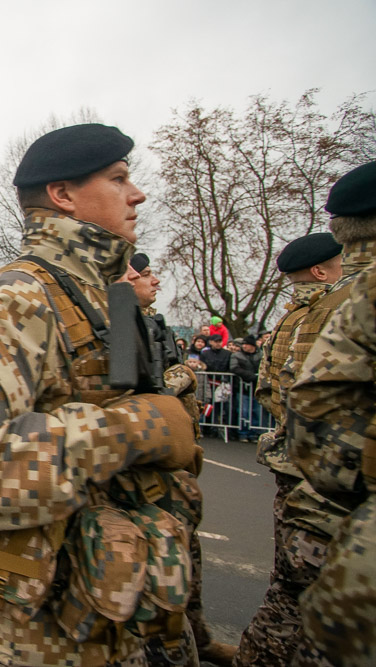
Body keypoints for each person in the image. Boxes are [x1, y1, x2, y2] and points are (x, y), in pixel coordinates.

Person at [0, 124, 201, 665]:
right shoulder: (17, 298)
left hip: (94, 601)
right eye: (118, 179)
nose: (136, 194)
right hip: (23, 635)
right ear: (63, 195)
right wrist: (132, 430)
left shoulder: (95, 296)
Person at [233, 231, 343, 666]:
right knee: (316, 591)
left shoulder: (285, 322)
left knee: (290, 583)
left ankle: (257, 656)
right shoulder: (337, 313)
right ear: (321, 270)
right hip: (325, 472)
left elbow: (268, 389)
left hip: (292, 463)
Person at [283, 162, 376, 665]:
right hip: (334, 491)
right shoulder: (350, 300)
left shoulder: (304, 313)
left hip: (310, 474)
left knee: (291, 594)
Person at [128, 253, 237, 665]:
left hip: (175, 463)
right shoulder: (113, 322)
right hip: (148, 467)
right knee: (158, 577)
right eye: (145, 274)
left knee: (187, 561)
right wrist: (183, 376)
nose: (155, 281)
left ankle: (198, 636)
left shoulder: (150, 322)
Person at [229, 335, 263, 442]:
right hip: (243, 387)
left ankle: (254, 433)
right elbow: (234, 368)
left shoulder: (261, 355)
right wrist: (250, 376)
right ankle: (243, 433)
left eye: (246, 344)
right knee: (243, 412)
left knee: (256, 412)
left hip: (257, 388)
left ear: (252, 345)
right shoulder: (237, 355)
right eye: (243, 344)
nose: (244, 346)